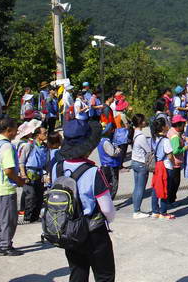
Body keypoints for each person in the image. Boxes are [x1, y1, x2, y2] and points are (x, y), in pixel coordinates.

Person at [51, 118, 116, 281]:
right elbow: (107, 209)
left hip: (69, 231)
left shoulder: (56, 168)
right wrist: (109, 219)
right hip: (93, 232)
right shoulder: (94, 172)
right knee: (104, 275)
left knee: (77, 273)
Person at [0, 118, 26, 256]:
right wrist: (19, 180)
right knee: (9, 219)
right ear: (9, 130)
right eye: (15, 129)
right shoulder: (7, 146)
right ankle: (5, 246)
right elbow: (8, 170)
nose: (17, 131)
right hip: (5, 189)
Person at [17, 122, 47, 222]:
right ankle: (27, 218)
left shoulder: (45, 147)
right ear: (38, 135)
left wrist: (47, 174)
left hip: (39, 175)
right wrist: (23, 175)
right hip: (29, 174)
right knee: (30, 196)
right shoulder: (29, 146)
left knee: (39, 197)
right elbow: (21, 162)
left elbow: (46, 163)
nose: (46, 135)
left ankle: (35, 217)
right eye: (44, 133)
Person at [150, 117, 175, 220]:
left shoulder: (153, 138)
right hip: (166, 166)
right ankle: (163, 213)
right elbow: (170, 156)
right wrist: (174, 163)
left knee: (156, 188)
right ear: (163, 127)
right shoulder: (165, 140)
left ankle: (155, 211)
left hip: (157, 165)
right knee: (165, 189)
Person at [130, 114, 152, 218]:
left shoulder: (135, 133)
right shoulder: (141, 136)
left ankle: (136, 209)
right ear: (140, 123)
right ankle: (137, 211)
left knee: (136, 187)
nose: (145, 121)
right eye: (143, 120)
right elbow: (148, 150)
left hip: (134, 162)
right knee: (140, 188)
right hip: (141, 163)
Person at [97, 123, 122, 199]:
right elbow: (112, 153)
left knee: (107, 185)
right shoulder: (106, 142)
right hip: (111, 166)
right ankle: (109, 202)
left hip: (105, 165)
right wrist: (118, 150)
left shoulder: (101, 140)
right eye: (112, 130)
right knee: (113, 185)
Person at [166, 115, 187, 205]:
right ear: (178, 125)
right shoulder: (175, 136)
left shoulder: (171, 131)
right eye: (183, 124)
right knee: (175, 183)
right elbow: (175, 151)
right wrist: (184, 148)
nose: (184, 126)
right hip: (175, 162)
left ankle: (169, 199)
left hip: (171, 163)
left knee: (171, 182)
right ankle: (171, 200)